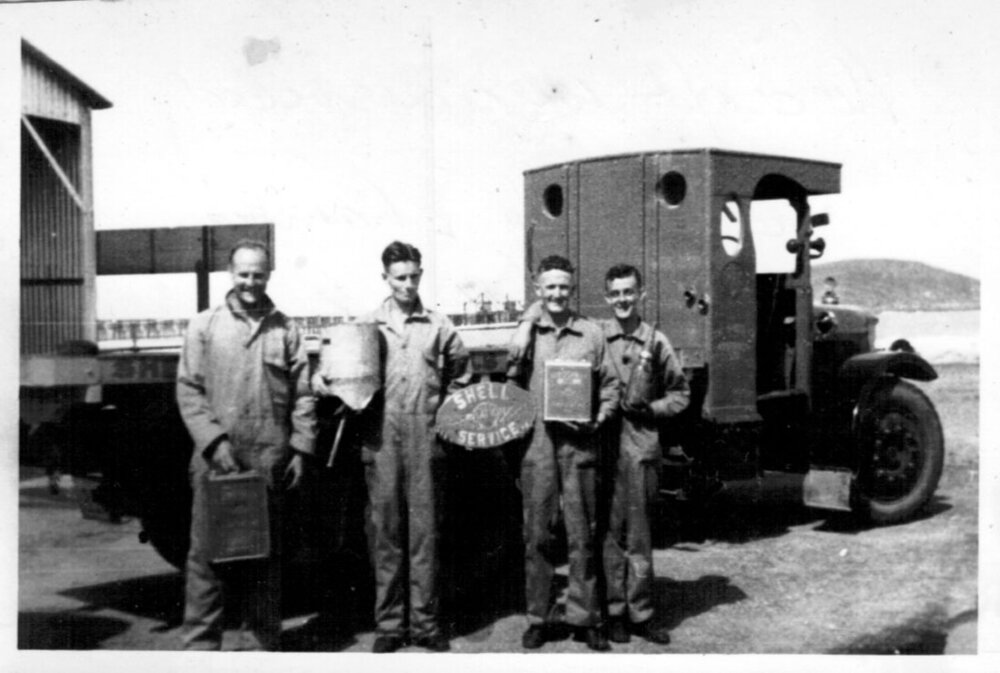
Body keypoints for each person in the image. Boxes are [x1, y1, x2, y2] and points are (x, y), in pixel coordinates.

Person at [176, 239, 316, 651]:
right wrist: (213, 440)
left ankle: (261, 646)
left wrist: (301, 448)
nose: (251, 282)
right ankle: (200, 648)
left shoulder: (285, 328)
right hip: (216, 460)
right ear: (230, 275)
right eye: (244, 274)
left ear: (268, 275)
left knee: (264, 558)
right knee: (206, 559)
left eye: (258, 274)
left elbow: (303, 393)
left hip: (268, 459)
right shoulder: (204, 325)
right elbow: (189, 390)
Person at [332, 240, 470, 653]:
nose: (408, 284)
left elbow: (462, 374)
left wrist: (445, 413)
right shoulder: (366, 326)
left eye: (414, 276)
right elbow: (343, 376)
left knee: (425, 535)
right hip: (382, 441)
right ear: (386, 278)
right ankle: (390, 625)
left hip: (427, 442)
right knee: (385, 536)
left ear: (421, 275)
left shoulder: (439, 325)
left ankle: (425, 625)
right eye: (400, 277)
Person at [508, 255, 619, 652]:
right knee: (537, 536)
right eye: (549, 287)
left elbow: (610, 386)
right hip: (537, 446)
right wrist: (526, 320)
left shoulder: (591, 333)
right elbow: (508, 386)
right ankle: (539, 617)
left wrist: (599, 418)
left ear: (573, 289)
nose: (557, 293)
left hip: (580, 446)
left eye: (564, 287)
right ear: (538, 290)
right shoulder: (526, 336)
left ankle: (585, 617)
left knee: (582, 534)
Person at [598, 264, 689, 645]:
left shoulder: (656, 342)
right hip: (603, 447)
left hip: (639, 450)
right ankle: (615, 611)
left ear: (641, 295)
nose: (622, 299)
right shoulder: (597, 338)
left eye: (629, 292)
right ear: (607, 298)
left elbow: (680, 394)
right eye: (615, 293)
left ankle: (642, 613)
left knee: (639, 535)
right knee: (609, 534)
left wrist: (651, 411)